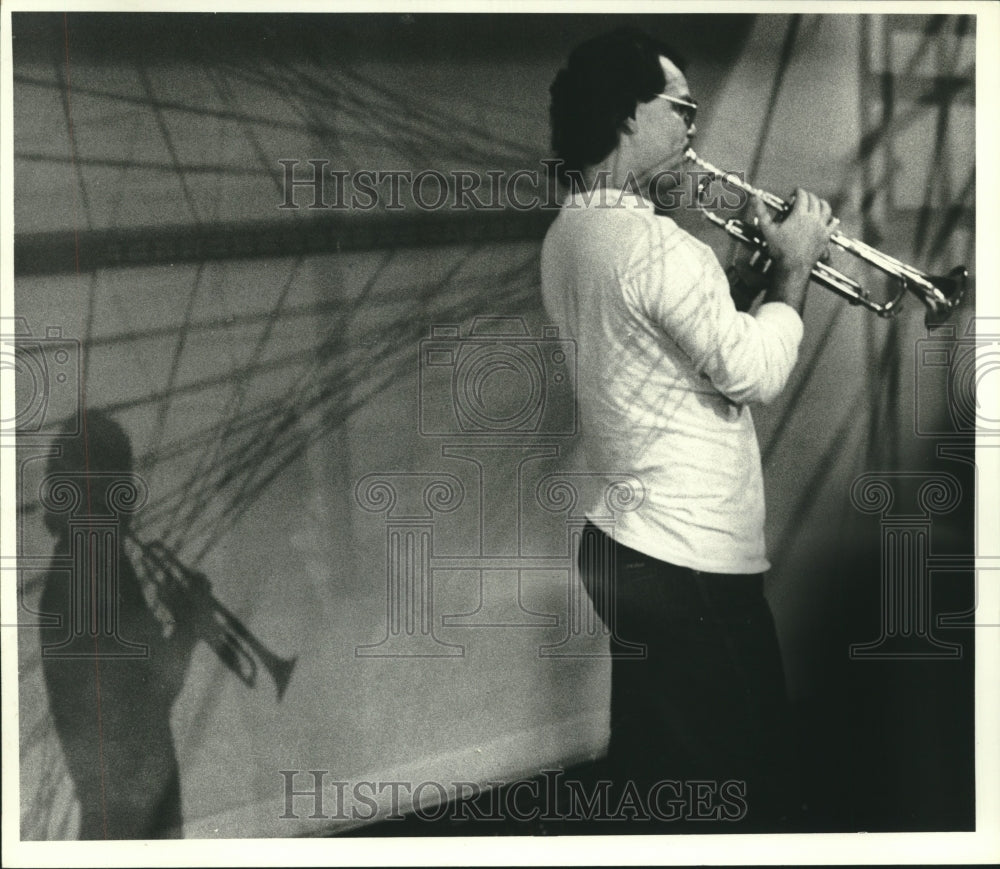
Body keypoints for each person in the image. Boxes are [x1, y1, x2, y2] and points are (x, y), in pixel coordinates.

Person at [541, 29, 837, 830]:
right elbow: (755, 374)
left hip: (623, 545)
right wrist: (795, 269)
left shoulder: (571, 232)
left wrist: (739, 289)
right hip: (690, 562)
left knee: (660, 774)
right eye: (682, 108)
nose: (693, 127)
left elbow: (664, 353)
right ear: (631, 115)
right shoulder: (659, 244)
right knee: (750, 786)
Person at [39, 411, 199, 838]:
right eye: (119, 481)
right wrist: (189, 624)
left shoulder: (81, 562)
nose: (128, 495)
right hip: (134, 811)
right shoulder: (95, 565)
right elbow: (153, 693)